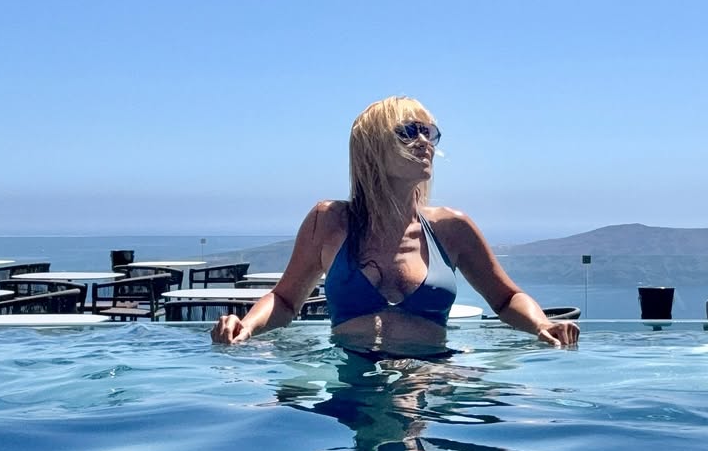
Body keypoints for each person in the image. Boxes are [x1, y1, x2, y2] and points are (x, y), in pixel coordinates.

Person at [211, 96, 580, 354]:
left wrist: (541, 324)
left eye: (429, 132)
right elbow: (285, 299)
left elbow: (506, 298)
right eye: (409, 131)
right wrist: (247, 325)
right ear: (372, 147)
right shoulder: (329, 221)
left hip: (430, 376)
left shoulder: (452, 228)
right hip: (350, 377)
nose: (424, 142)